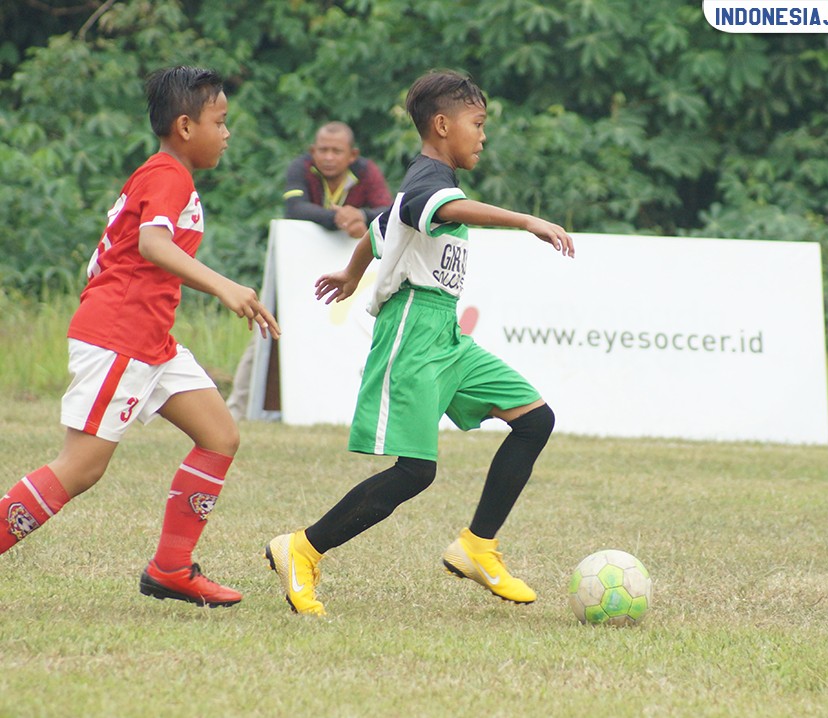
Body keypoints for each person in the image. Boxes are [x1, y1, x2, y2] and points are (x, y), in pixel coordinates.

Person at [264, 70, 575, 616]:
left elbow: (383, 225)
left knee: (535, 420)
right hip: (411, 330)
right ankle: (303, 548)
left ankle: (477, 546)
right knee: (416, 471)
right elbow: (435, 210)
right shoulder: (429, 182)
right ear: (441, 125)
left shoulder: (423, 186)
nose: (482, 136)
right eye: (476, 124)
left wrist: (350, 273)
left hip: (447, 332)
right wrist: (526, 220)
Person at [0, 66, 280, 608]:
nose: (227, 133)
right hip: (120, 336)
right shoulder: (168, 174)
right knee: (81, 467)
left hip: (151, 340)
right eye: (220, 122)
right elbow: (152, 245)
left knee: (220, 434)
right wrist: (225, 287)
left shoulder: (166, 174)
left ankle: (171, 568)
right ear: (184, 126)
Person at [225, 122, 392, 421]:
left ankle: (331, 407)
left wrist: (362, 216)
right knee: (266, 332)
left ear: (352, 155)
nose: (328, 157)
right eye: (323, 150)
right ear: (312, 151)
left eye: (336, 151)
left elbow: (388, 211)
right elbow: (294, 209)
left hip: (348, 277)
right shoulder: (300, 167)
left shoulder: (368, 172)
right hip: (297, 272)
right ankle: (236, 408)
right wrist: (340, 218)